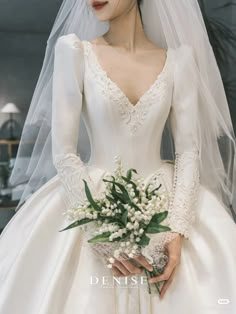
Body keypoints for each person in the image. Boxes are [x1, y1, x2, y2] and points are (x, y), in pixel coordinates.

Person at [0, 0, 236, 313]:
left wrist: (177, 229)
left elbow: (189, 150)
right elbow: (64, 152)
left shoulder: (180, 61)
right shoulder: (74, 52)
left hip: (166, 203)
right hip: (89, 198)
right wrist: (100, 233)